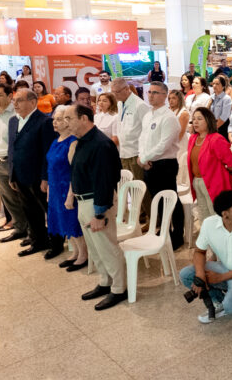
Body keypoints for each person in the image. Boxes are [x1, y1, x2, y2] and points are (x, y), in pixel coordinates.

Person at [69, 104, 126, 311]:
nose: (67, 123)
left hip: (97, 202)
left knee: (107, 247)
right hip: (84, 200)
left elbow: (105, 180)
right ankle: (105, 282)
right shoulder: (83, 142)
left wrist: (99, 213)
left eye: (69, 119)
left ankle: (119, 288)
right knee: (95, 248)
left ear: (84, 118)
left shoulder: (100, 144)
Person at [179, 190, 232, 322]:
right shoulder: (209, 224)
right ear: (225, 214)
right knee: (186, 274)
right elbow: (199, 252)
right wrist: (200, 274)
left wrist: (220, 277)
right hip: (226, 268)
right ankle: (219, 301)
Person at [7, 88, 58, 257]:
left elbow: (48, 152)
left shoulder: (44, 122)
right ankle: (38, 241)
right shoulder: (13, 121)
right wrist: (11, 174)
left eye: (19, 100)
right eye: (14, 100)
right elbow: (12, 149)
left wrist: (46, 178)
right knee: (30, 210)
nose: (15, 104)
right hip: (20, 174)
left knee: (48, 210)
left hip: (38, 176)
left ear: (32, 102)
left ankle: (56, 244)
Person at [139, 80, 184, 250]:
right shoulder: (148, 115)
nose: (151, 95)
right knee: (157, 201)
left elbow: (164, 144)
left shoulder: (169, 117)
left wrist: (145, 157)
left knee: (170, 200)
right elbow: (142, 138)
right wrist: (142, 156)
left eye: (155, 92)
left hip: (165, 164)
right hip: (149, 163)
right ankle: (164, 230)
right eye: (149, 92)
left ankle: (177, 233)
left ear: (165, 96)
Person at [45, 106, 87, 271]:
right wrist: (49, 189)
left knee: (72, 222)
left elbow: (73, 172)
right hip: (55, 188)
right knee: (62, 222)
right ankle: (75, 252)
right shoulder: (56, 140)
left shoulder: (73, 142)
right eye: (54, 119)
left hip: (67, 188)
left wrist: (71, 195)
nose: (55, 123)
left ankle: (83, 254)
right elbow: (51, 167)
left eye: (60, 120)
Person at [186, 106, 232, 238]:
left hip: (214, 183)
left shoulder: (216, 138)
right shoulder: (193, 139)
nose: (195, 122)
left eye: (199, 119)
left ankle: (221, 245)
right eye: (194, 119)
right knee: (204, 216)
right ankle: (210, 244)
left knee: (216, 216)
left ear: (208, 121)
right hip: (197, 182)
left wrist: (219, 173)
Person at [0, 84, 27, 240]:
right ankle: (20, 227)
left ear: (10, 96)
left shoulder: (17, 114)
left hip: (14, 160)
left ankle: (33, 230)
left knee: (23, 197)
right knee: (8, 198)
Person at [112, 77, 150, 222]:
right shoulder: (121, 104)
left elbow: (147, 132)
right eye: (113, 92)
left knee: (140, 189)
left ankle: (153, 218)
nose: (114, 95)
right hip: (124, 152)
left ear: (127, 89)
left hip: (136, 153)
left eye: (117, 92)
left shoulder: (140, 105)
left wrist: (143, 154)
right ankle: (140, 215)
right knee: (129, 188)